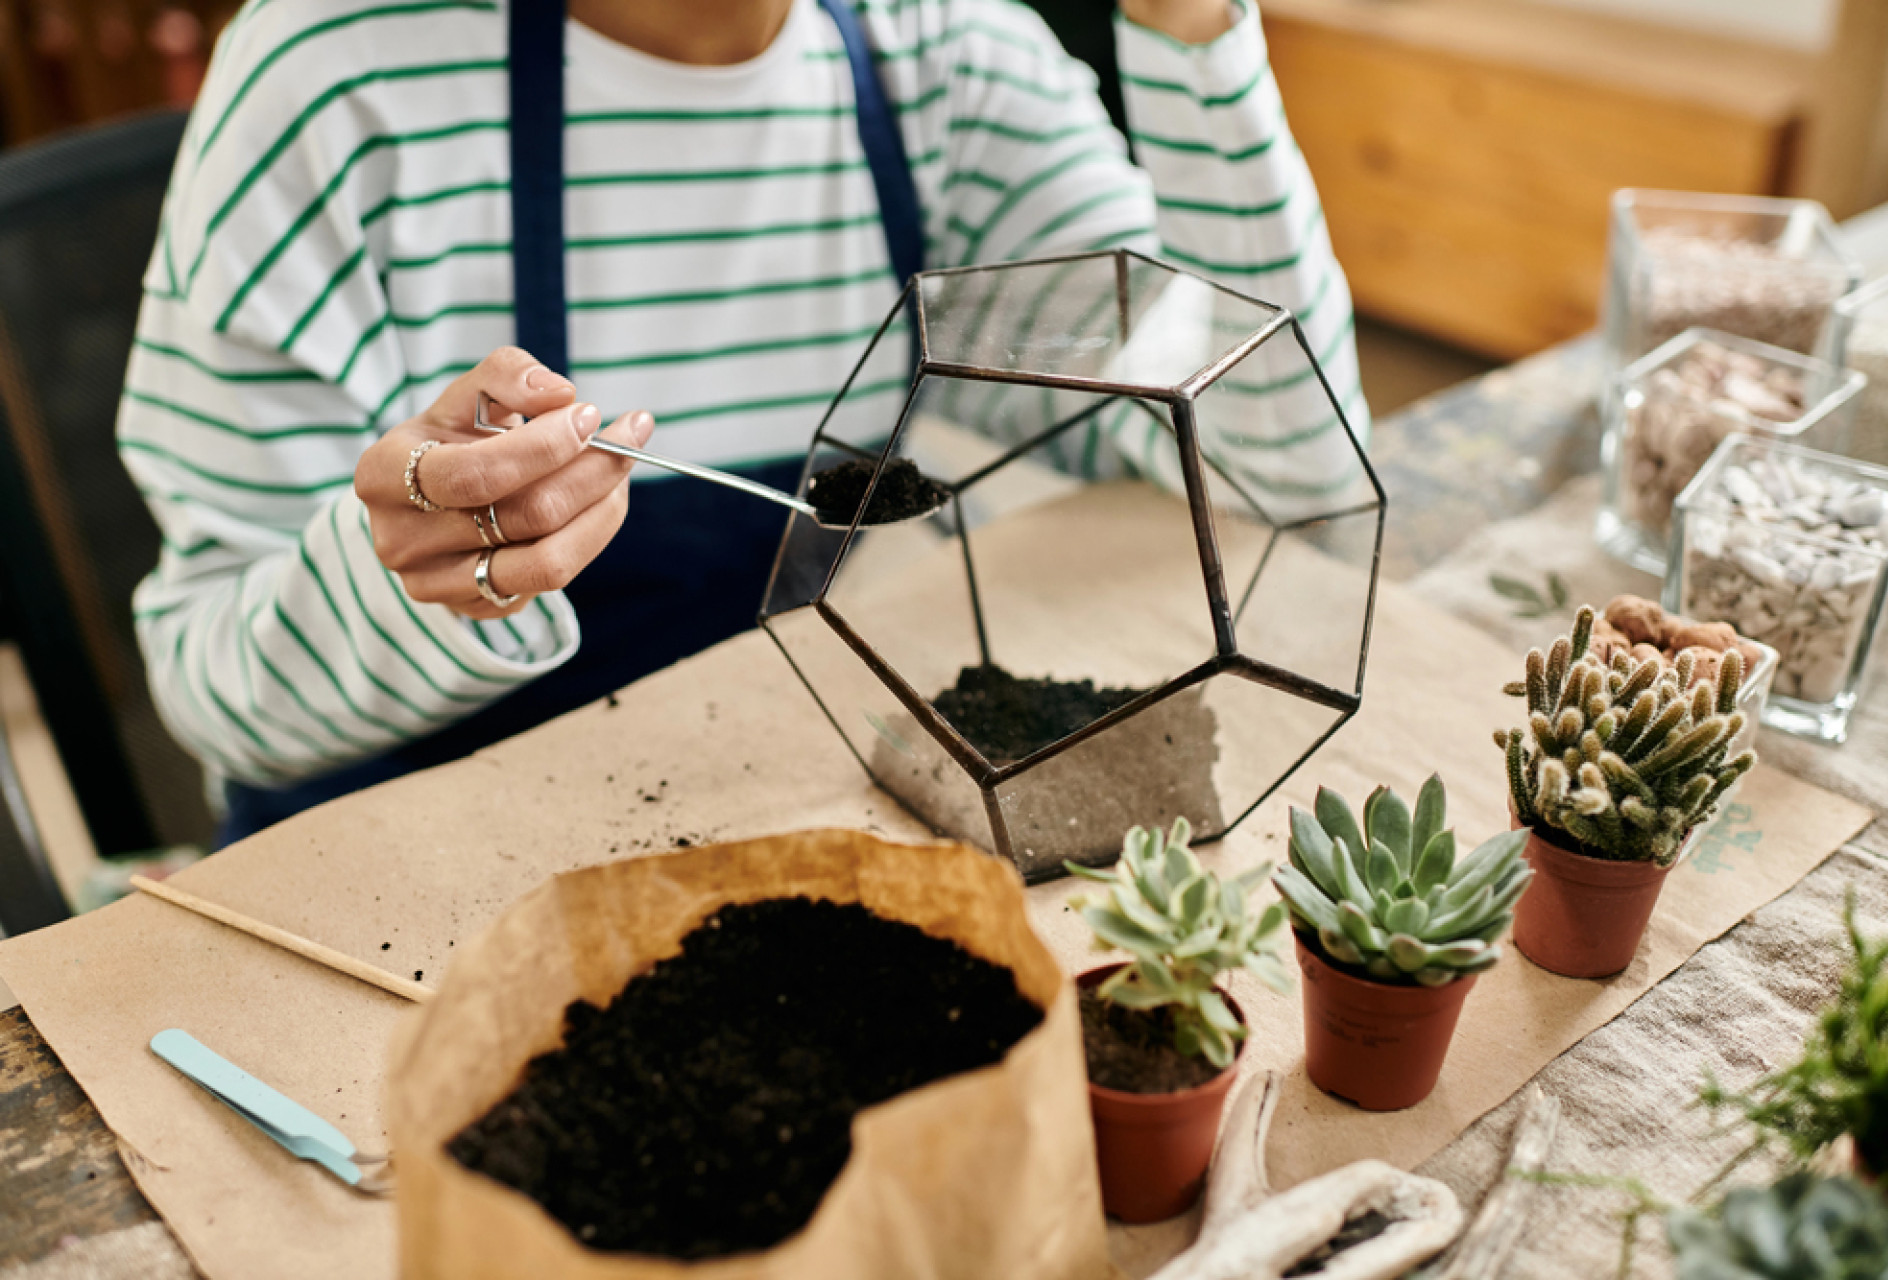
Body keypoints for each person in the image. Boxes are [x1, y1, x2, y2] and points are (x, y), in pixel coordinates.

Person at [119, 0, 1369, 844]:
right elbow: (213, 687)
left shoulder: (944, 56)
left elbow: (1279, 488)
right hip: (397, 891)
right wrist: (423, 579)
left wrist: (1193, 33)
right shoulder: (334, 76)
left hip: (758, 824)